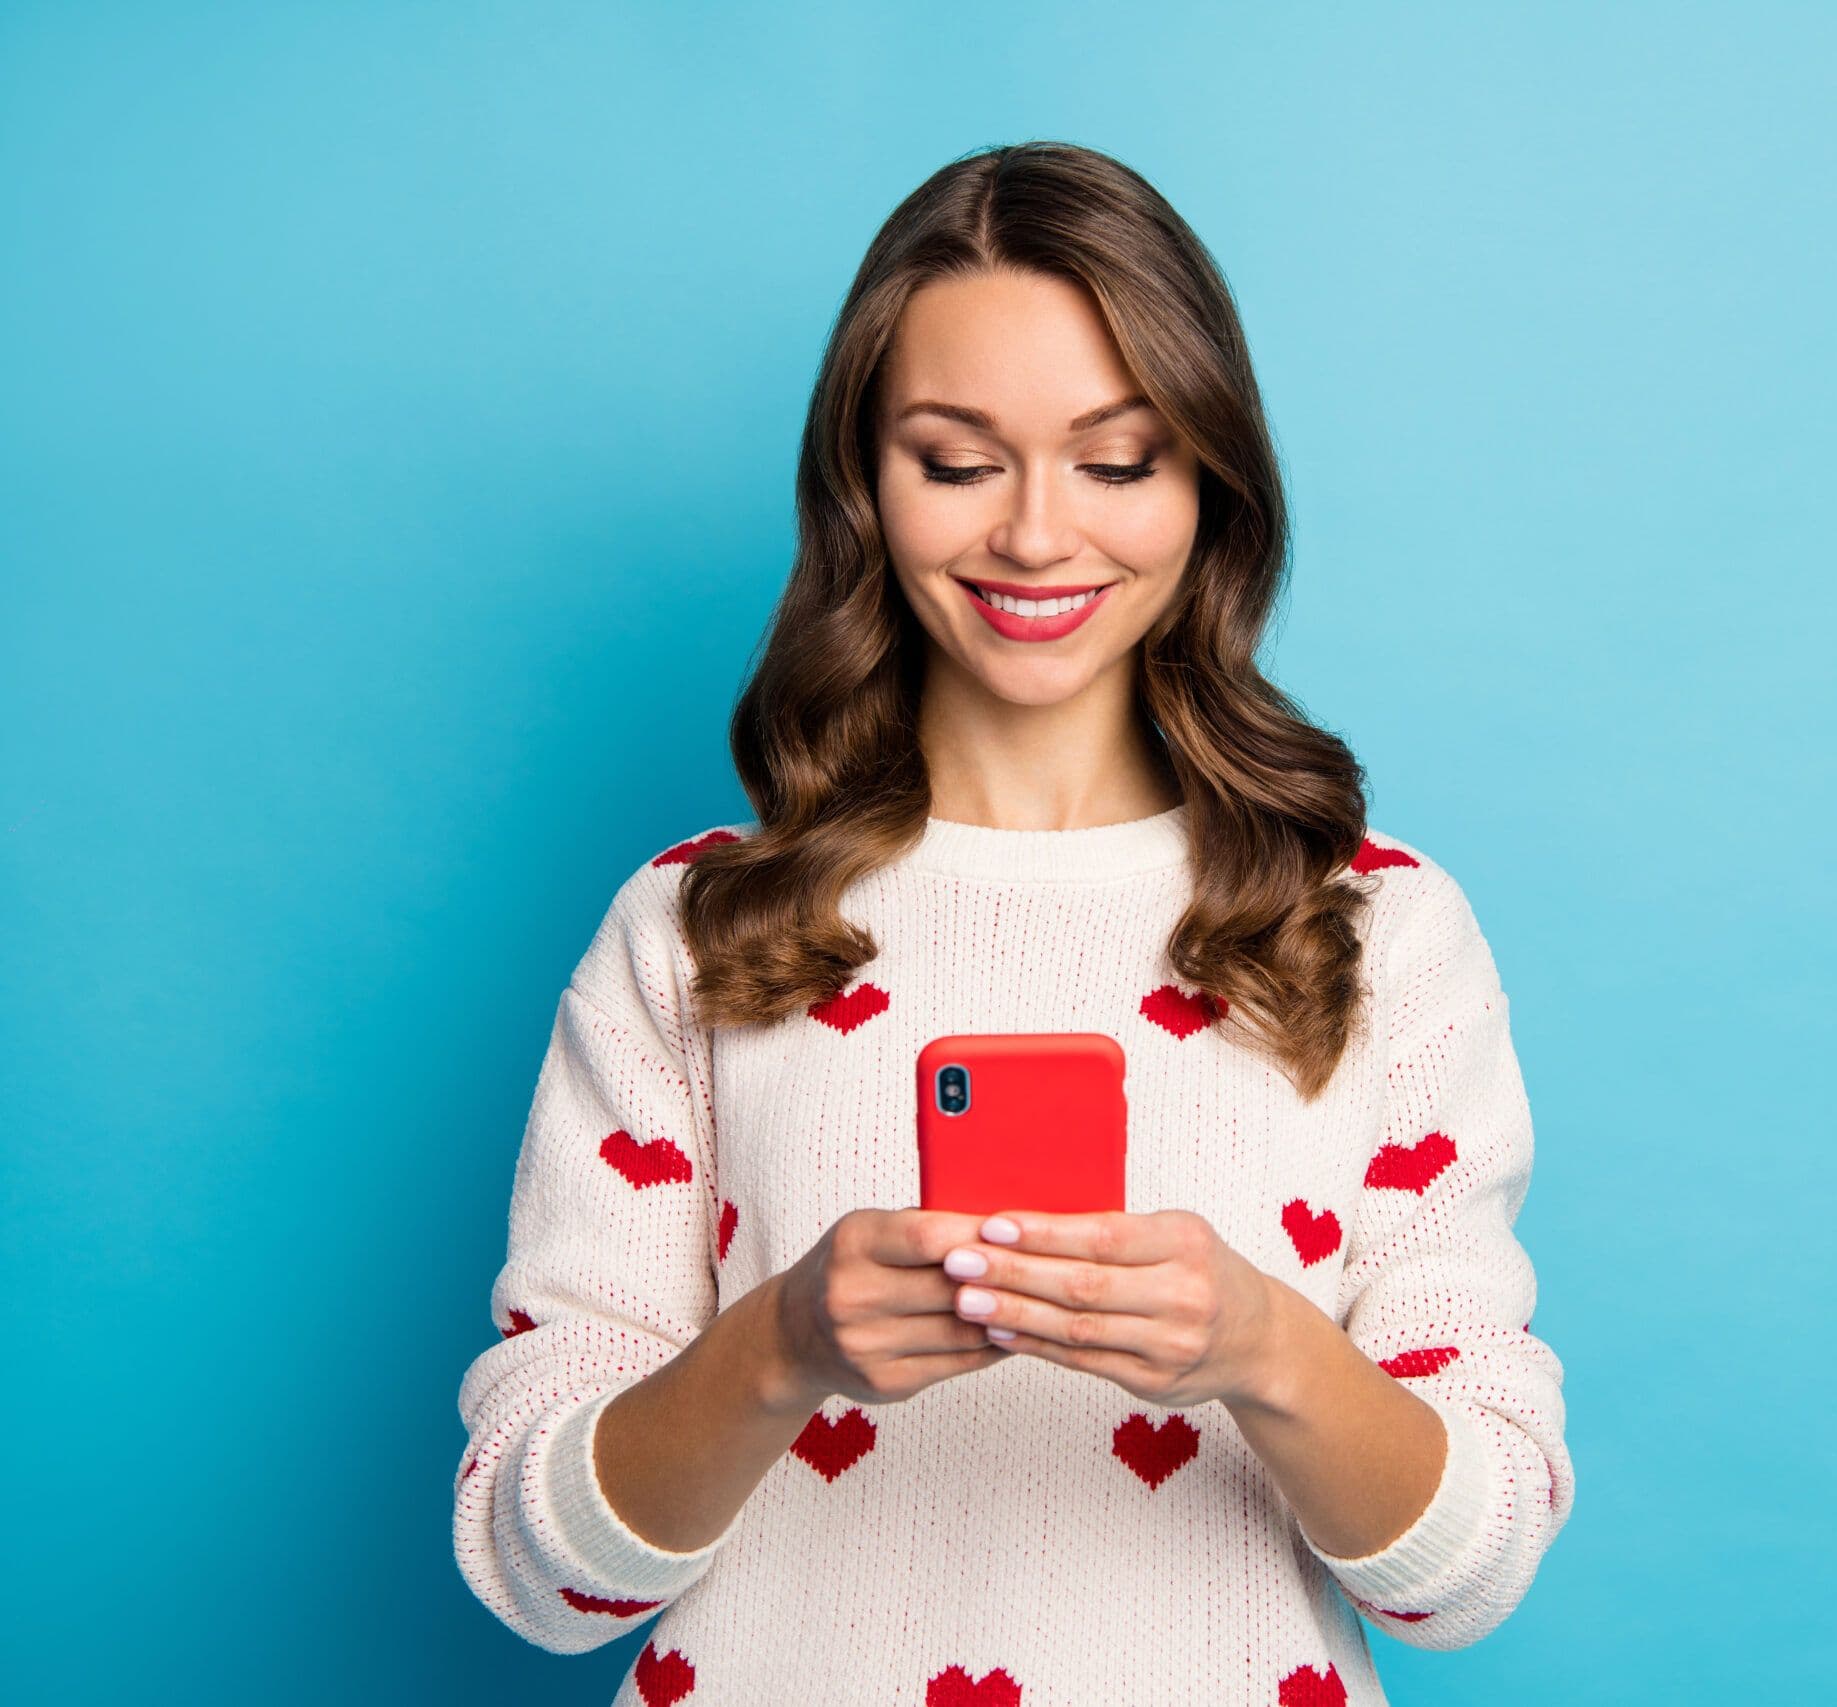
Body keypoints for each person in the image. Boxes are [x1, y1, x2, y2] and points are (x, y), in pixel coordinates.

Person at [451, 139, 1573, 1706]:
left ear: (1209, 484)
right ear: (864, 478)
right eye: (958, 460)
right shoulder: (695, 928)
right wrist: (781, 1348)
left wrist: (1266, 1350)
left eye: (1117, 462)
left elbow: (1479, 1567)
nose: (1037, 538)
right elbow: (533, 1569)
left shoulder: (1377, 927)